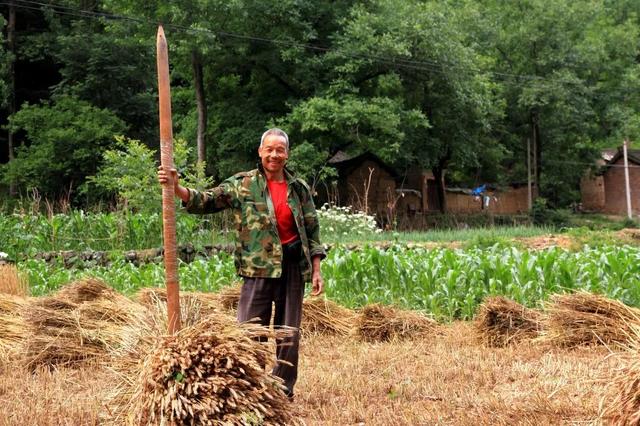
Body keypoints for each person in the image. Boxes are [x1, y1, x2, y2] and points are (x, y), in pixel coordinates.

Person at [157, 128, 326, 399]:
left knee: (289, 334)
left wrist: (316, 268)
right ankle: (251, 387)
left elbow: (312, 229)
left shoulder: (298, 188)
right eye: (269, 149)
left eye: (279, 150)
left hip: (292, 267)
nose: (274, 155)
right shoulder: (243, 184)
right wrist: (177, 188)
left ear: (287, 154)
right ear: (260, 152)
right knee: (248, 331)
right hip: (257, 268)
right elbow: (207, 200)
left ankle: (283, 391)